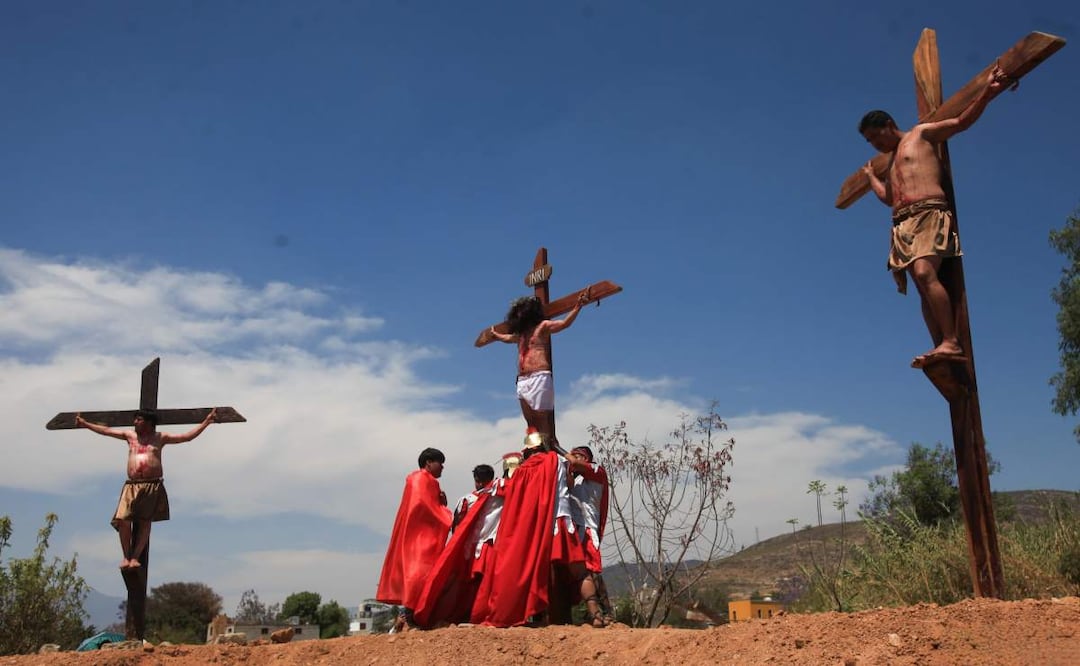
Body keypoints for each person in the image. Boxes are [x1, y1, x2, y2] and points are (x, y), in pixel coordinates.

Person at [859, 64, 1014, 368]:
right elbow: (888, 198)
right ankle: (940, 345)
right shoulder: (890, 164)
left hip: (929, 212)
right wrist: (870, 177)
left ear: (890, 124)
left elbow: (960, 121)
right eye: (870, 142)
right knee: (921, 287)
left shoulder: (921, 135)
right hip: (902, 224)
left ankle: (952, 341)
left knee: (924, 274)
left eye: (876, 137)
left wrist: (988, 92)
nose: (876, 145)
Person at [75, 408, 218, 570]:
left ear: (149, 423)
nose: (135, 422)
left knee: (144, 521)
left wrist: (206, 422)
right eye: (135, 419)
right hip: (132, 485)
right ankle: (126, 556)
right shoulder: (130, 436)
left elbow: (186, 437)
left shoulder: (160, 438)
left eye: (139, 419)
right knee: (122, 520)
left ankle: (135, 557)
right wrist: (85, 424)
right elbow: (106, 431)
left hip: (152, 484)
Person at [481, 429, 589, 627]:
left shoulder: (521, 472)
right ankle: (597, 614)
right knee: (578, 570)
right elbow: (572, 480)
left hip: (535, 527)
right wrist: (558, 448)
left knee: (539, 569)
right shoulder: (557, 461)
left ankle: (542, 616)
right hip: (562, 521)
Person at [489, 289, 589, 447]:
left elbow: (563, 324)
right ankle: (535, 450)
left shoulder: (542, 326)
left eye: (523, 311)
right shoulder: (521, 334)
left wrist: (577, 307)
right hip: (522, 380)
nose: (520, 314)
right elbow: (508, 338)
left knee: (543, 419)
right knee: (530, 421)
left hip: (539, 376)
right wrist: (496, 336)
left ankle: (549, 451)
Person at [376, 448, 453, 629]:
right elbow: (424, 508)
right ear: (428, 462)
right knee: (418, 574)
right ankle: (411, 616)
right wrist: (445, 511)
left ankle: (414, 616)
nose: (442, 467)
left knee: (420, 575)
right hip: (419, 538)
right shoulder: (421, 479)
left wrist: (440, 504)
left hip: (418, 536)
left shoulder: (421, 480)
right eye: (439, 463)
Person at [568, 445, 613, 627]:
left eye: (578, 456)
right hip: (573, 530)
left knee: (592, 571)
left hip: (587, 529)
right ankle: (593, 614)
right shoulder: (575, 480)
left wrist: (554, 446)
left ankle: (605, 613)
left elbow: (572, 462)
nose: (574, 459)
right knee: (579, 574)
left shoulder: (597, 471)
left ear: (586, 459)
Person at [452, 464, 496, 531]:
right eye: (477, 481)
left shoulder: (497, 499)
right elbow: (458, 525)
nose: (481, 484)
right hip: (470, 539)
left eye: (484, 481)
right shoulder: (467, 500)